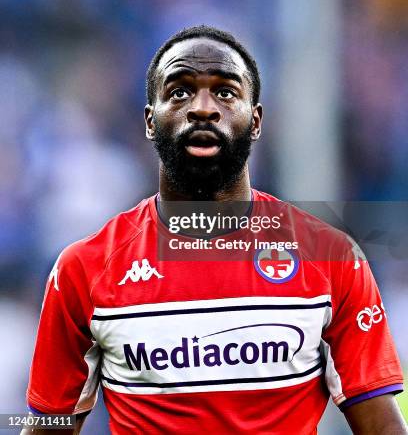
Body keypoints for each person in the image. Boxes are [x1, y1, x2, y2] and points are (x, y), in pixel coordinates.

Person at [24, 26, 406, 434]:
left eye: (225, 92)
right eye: (179, 92)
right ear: (150, 121)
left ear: (255, 120)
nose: (202, 108)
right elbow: (50, 424)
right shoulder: (84, 268)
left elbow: (381, 427)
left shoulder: (330, 257)